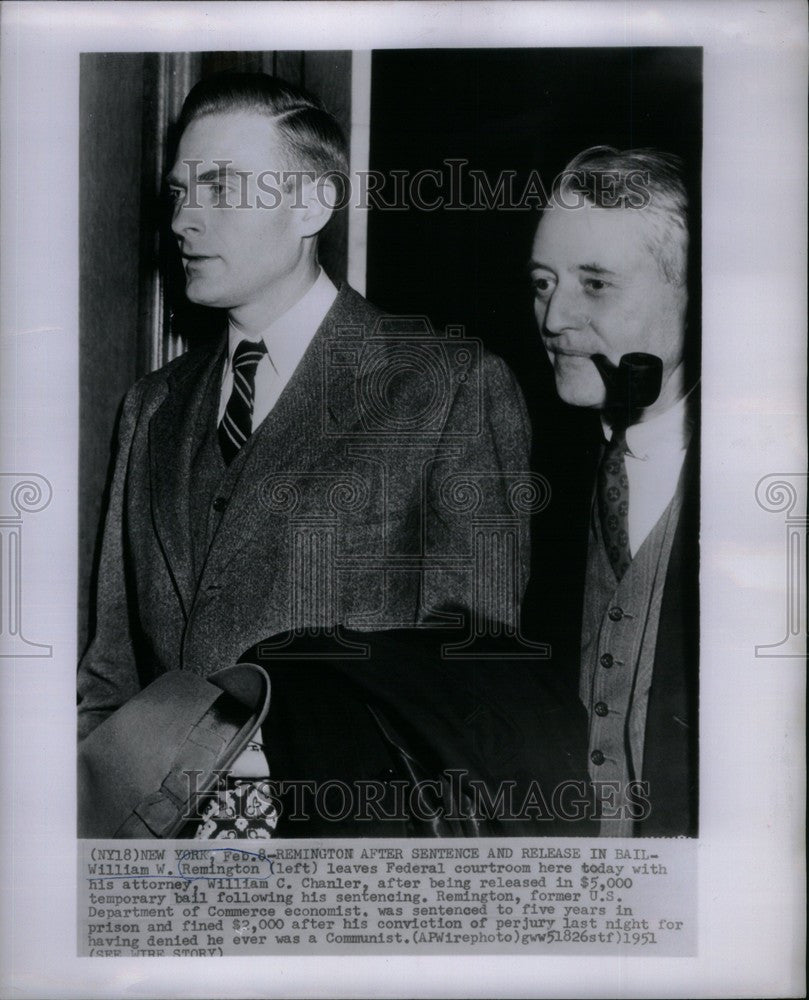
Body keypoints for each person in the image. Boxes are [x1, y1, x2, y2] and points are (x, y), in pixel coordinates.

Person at [77, 72, 534, 836]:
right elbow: (109, 673)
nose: (185, 219)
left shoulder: (449, 385)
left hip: (343, 847)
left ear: (312, 204)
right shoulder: (150, 407)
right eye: (179, 191)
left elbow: (471, 675)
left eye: (220, 188)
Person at [527, 146, 699, 837]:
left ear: (692, 292)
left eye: (594, 284)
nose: (553, 318)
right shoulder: (525, 482)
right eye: (541, 283)